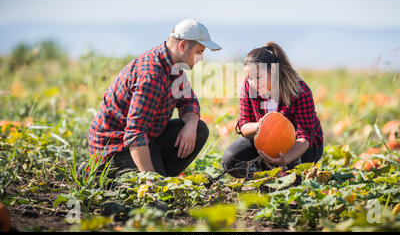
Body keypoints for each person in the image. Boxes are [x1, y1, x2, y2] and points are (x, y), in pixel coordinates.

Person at [87, 19, 221, 177]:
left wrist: (191, 124)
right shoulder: (152, 76)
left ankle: (160, 176)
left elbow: (188, 101)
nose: (201, 58)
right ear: (182, 45)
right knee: (155, 197)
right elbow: (135, 134)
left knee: (199, 129)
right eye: (199, 51)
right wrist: (150, 181)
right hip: (116, 150)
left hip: (147, 140)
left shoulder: (174, 67)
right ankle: (102, 175)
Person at [221, 42, 323, 179]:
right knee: (230, 159)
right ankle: (263, 178)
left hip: (300, 146)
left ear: (273, 71)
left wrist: (284, 160)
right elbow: (243, 125)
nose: (252, 83)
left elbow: (304, 137)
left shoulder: (299, 91)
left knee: (290, 179)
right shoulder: (249, 87)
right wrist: (260, 125)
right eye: (249, 78)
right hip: (264, 141)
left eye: (258, 77)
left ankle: (287, 178)